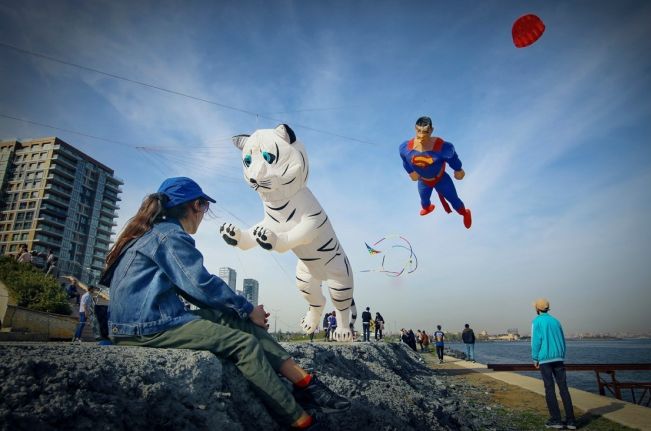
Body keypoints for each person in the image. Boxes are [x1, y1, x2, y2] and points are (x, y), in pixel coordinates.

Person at [101, 177, 349, 429]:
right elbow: (200, 285)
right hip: (146, 326)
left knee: (232, 319)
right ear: (196, 205)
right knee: (244, 344)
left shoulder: (151, 234)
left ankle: (306, 384)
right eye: (205, 207)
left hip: (142, 321)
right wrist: (248, 308)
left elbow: (195, 291)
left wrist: (241, 312)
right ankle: (300, 420)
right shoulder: (170, 236)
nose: (204, 214)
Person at [399, 116, 472, 229]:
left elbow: (453, 160)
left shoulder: (443, 147)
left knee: (454, 200)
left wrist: (459, 170)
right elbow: (404, 160)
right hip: (423, 181)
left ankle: (464, 213)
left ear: (432, 130)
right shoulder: (405, 148)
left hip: (441, 179)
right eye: (419, 131)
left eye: (426, 132)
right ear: (415, 129)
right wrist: (410, 171)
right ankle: (428, 208)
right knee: (424, 201)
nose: (422, 135)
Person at [531, 298, 577, 430]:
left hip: (545, 360)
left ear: (537, 309)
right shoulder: (556, 321)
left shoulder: (536, 321)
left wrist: (535, 358)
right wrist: (561, 355)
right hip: (558, 358)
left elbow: (536, 341)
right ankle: (571, 421)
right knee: (564, 388)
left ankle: (556, 419)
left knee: (549, 388)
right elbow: (562, 339)